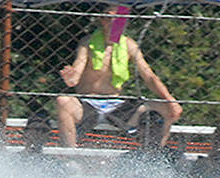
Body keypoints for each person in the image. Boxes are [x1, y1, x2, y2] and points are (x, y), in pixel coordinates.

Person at [54, 8, 182, 148]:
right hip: (87, 103)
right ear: (101, 19)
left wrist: (170, 100)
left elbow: (149, 76)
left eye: (118, 17)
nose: (112, 21)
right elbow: (76, 73)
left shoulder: (129, 45)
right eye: (107, 17)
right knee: (63, 101)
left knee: (168, 109)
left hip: (117, 105)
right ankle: (70, 155)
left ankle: (154, 156)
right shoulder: (88, 43)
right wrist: (71, 78)